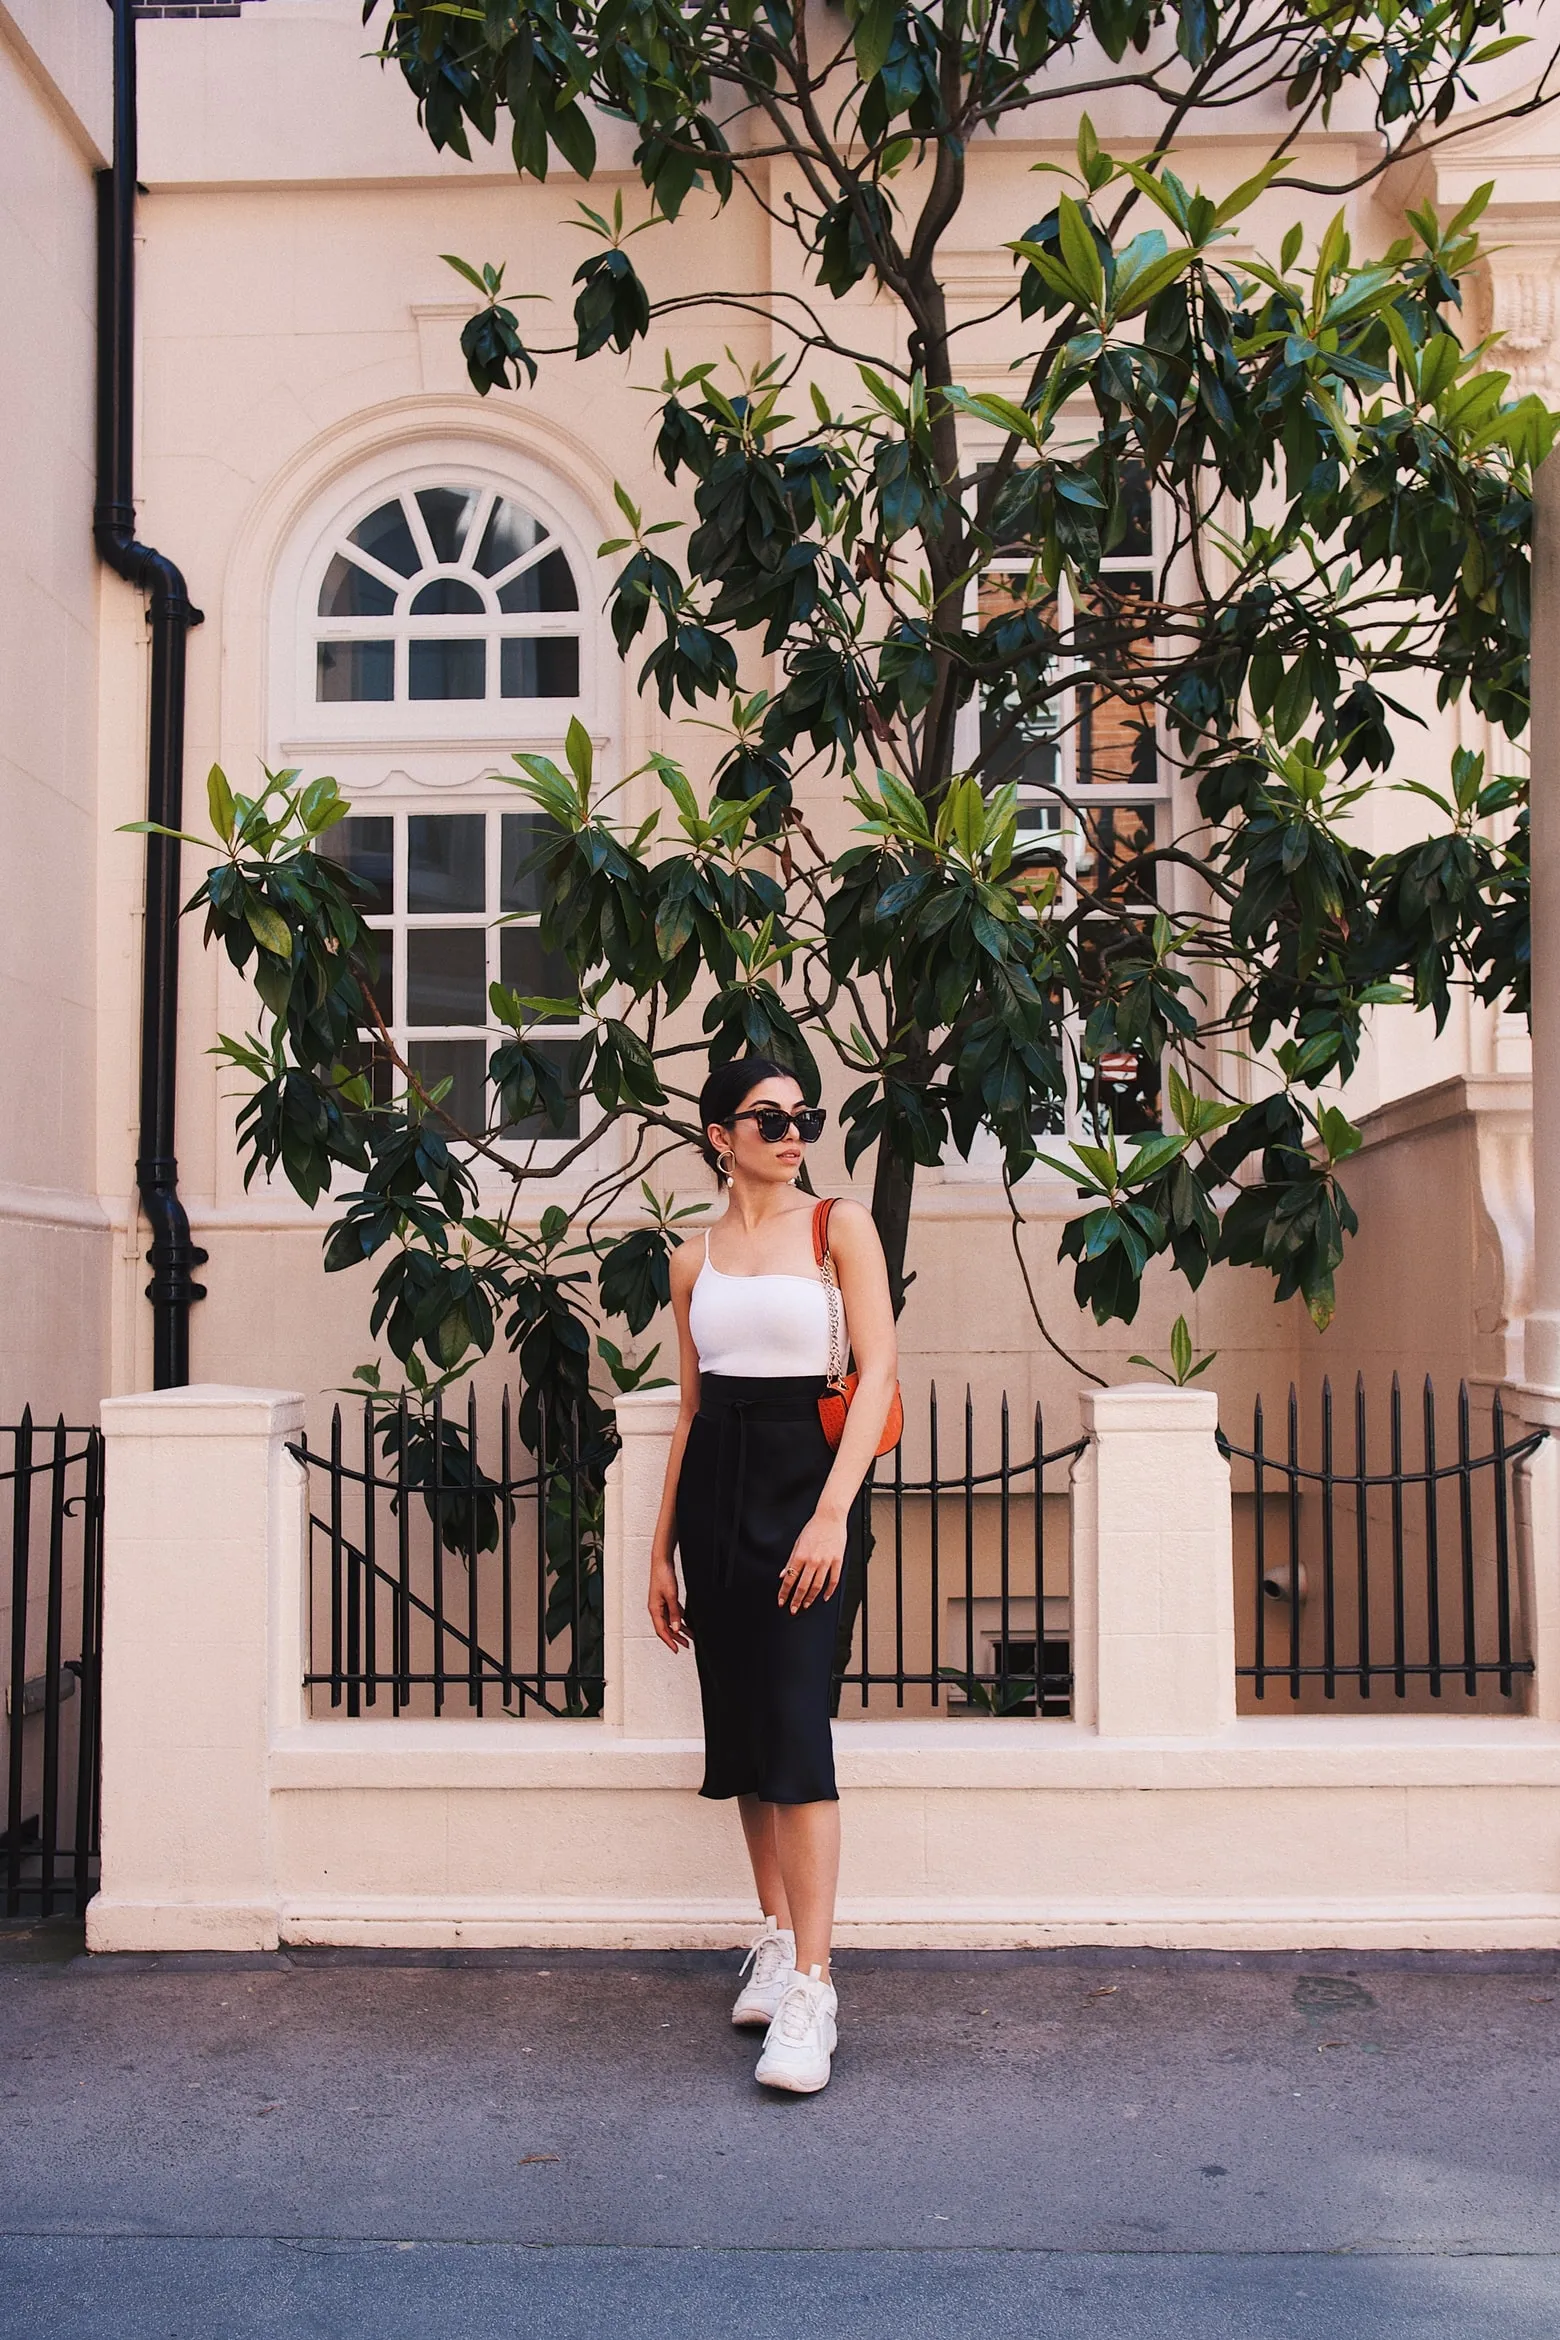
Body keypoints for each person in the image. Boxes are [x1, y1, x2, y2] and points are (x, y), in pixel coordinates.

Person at [648, 1056, 897, 2093]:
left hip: (808, 1487)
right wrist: (659, 1548)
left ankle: (817, 1988)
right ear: (720, 1133)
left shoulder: (838, 1226)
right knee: (746, 1735)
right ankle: (775, 1937)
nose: (794, 1133)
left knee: (798, 1732)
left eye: (805, 1117)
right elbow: (692, 1406)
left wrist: (832, 1515)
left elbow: (877, 1367)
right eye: (770, 1118)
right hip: (717, 1496)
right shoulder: (689, 1257)